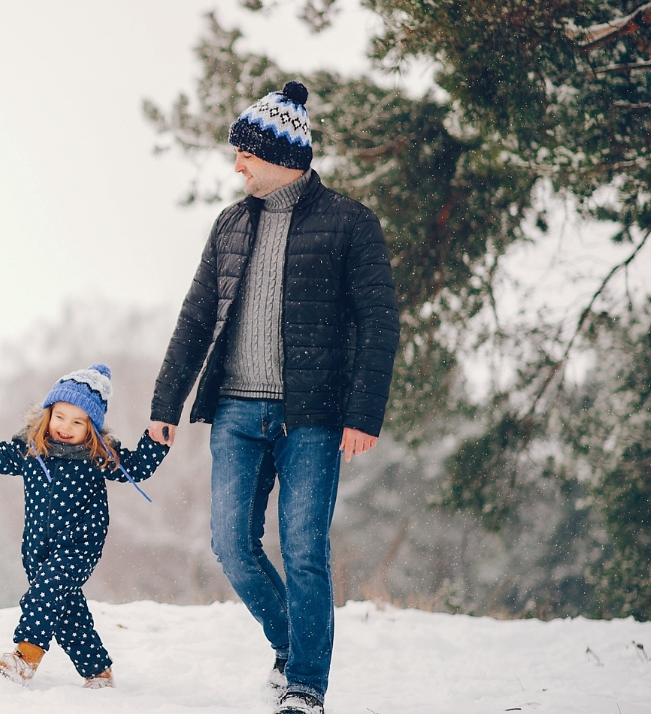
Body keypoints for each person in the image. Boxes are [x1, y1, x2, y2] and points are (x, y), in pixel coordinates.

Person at [148, 81, 400, 714]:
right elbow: (196, 317)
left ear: (282, 156)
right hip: (235, 411)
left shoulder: (350, 222)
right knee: (231, 546)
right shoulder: (230, 223)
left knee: (304, 551)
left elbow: (379, 321)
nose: (236, 166)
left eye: (244, 156)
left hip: (312, 417)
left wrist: (363, 414)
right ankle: (293, 645)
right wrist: (165, 404)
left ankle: (306, 686)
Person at [0, 364, 168, 688]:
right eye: (60, 416)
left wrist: (156, 441)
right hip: (37, 548)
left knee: (45, 594)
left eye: (78, 421)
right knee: (67, 613)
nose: (66, 426)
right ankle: (98, 671)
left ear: (91, 426)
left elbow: (137, 467)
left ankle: (25, 658)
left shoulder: (96, 456)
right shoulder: (30, 450)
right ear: (48, 413)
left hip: (80, 543)